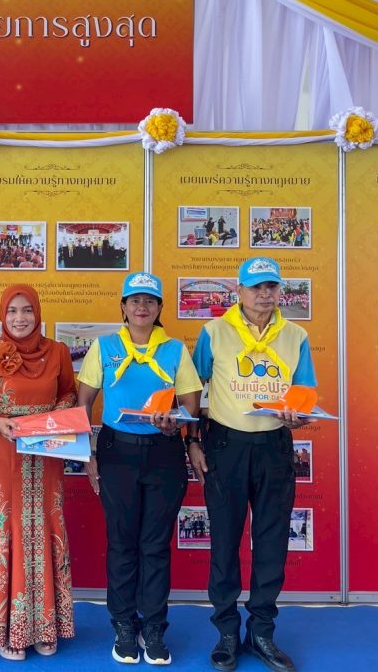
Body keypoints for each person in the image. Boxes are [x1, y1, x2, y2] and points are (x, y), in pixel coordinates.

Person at [187, 257, 316, 672]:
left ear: (280, 291)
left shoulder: (295, 335)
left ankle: (262, 632)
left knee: (272, 542)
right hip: (225, 445)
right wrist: (193, 440)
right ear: (238, 291)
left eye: (271, 287)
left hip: (275, 445)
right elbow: (193, 389)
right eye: (256, 287)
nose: (264, 294)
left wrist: (300, 415)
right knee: (224, 542)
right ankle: (226, 631)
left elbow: (304, 393)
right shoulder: (214, 332)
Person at [77, 272, 202, 665]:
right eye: (135, 300)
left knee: (155, 545)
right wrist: (88, 453)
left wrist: (178, 421)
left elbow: (191, 402)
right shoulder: (104, 347)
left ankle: (154, 626)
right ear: (123, 306)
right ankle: (124, 625)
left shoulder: (175, 350)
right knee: (122, 543)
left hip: (164, 453)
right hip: (117, 453)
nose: (142, 307)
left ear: (160, 307)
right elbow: (84, 404)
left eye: (150, 300)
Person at [0, 284, 77, 660]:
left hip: (46, 450)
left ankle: (46, 626)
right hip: (4, 450)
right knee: (7, 528)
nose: (20, 318)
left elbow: (69, 393)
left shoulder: (58, 352)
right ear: (3, 316)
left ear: (38, 313)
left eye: (27, 310)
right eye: (12, 311)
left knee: (45, 525)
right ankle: (8, 628)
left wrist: (51, 418)